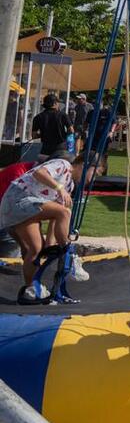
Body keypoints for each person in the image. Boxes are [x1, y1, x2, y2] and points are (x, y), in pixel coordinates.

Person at [0, 154, 93, 299]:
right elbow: (39, 173)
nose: (92, 179)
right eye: (96, 172)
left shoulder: (70, 185)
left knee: (35, 249)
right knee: (64, 211)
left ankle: (30, 289)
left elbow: (56, 220)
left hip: (22, 210)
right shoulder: (63, 165)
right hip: (17, 200)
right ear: (84, 165)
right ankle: (71, 256)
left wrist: (50, 245)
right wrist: (59, 188)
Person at [31, 94, 71, 159]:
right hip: (61, 149)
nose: (58, 105)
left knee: (43, 167)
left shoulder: (38, 117)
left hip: (45, 149)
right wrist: (63, 134)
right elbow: (71, 130)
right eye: (58, 103)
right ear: (54, 103)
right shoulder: (62, 115)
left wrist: (44, 134)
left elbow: (34, 136)